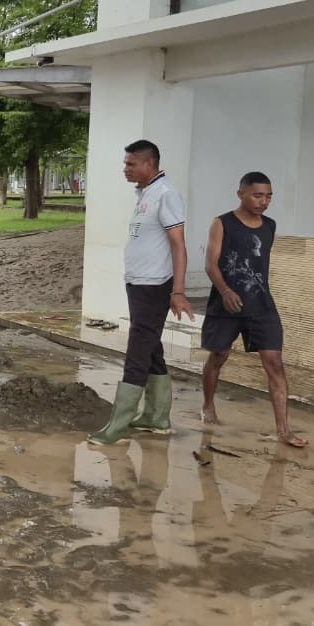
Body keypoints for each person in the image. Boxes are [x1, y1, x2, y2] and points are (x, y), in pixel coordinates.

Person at [88, 139, 195, 445]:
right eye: (126, 163)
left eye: (131, 164)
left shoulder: (166, 194)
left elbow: (179, 244)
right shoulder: (146, 193)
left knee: (138, 350)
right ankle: (156, 417)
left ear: (150, 164)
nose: (126, 168)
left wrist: (178, 291)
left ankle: (118, 425)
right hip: (138, 283)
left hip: (154, 285)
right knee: (151, 348)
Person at [201, 172, 309, 448]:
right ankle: (208, 405)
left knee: (275, 363)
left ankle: (284, 430)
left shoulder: (270, 226)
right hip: (226, 303)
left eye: (269, 196)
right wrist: (225, 290)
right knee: (219, 356)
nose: (264, 201)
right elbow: (211, 264)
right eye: (258, 195)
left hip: (261, 305)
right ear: (241, 194)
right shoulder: (222, 223)